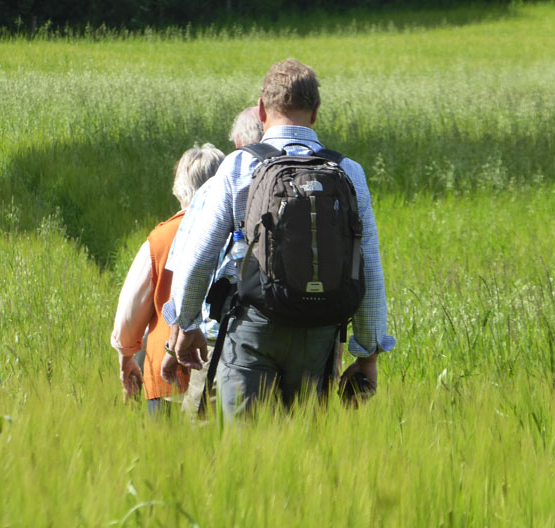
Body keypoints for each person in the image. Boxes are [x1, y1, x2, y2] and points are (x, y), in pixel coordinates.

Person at [162, 59, 396, 419]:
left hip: (252, 329)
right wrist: (367, 354)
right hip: (320, 337)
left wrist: (187, 323)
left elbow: (201, 254)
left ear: (261, 110)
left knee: (244, 455)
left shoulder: (239, 165)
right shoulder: (348, 172)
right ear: (315, 112)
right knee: (304, 455)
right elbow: (369, 267)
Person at [161, 106, 264, 416]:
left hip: (221, 338)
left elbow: (191, 268)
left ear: (237, 143)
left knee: (205, 433)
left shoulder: (216, 187)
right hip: (306, 335)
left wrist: (174, 342)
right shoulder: (317, 176)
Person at [110, 143, 225, 414]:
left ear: (179, 189)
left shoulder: (160, 238)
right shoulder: (235, 232)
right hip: (225, 370)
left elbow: (129, 312)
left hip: (166, 376)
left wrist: (126, 357)